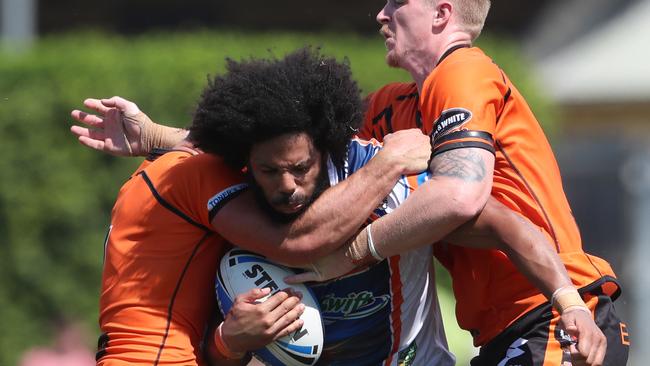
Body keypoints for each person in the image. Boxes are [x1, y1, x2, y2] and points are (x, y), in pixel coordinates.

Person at [72, 48, 607, 365]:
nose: (285, 185)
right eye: (268, 171)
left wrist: (572, 301)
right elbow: (214, 351)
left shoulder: (391, 178)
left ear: (325, 148)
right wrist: (228, 341)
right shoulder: (236, 215)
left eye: (299, 169)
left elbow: (510, 227)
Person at [289, 1, 628, 365]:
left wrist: (355, 250)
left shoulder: (462, 70)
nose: (382, 14)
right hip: (507, 331)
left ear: (441, 14)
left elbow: (459, 196)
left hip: (557, 316)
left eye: (398, 3)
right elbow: (305, 151)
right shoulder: (393, 105)